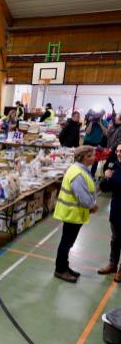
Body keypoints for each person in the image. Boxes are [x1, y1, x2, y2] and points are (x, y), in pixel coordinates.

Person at [53, 146, 98, 282]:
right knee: (66, 242)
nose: (94, 158)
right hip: (72, 214)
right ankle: (60, 270)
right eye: (92, 156)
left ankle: (64, 267)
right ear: (85, 157)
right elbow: (83, 196)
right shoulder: (78, 173)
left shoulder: (80, 169)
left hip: (74, 213)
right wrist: (92, 205)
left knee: (68, 242)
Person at [98, 143, 121, 282]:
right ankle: (113, 264)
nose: (119, 153)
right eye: (118, 151)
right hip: (116, 209)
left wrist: (112, 180)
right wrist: (106, 177)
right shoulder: (115, 167)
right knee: (115, 239)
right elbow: (105, 188)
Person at [84, 110, 108, 176]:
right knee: (84, 159)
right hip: (87, 142)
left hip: (97, 143)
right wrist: (91, 122)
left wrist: (100, 123)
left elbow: (106, 133)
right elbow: (88, 132)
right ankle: (83, 173)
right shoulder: (90, 121)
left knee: (95, 161)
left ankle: (92, 175)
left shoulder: (104, 122)